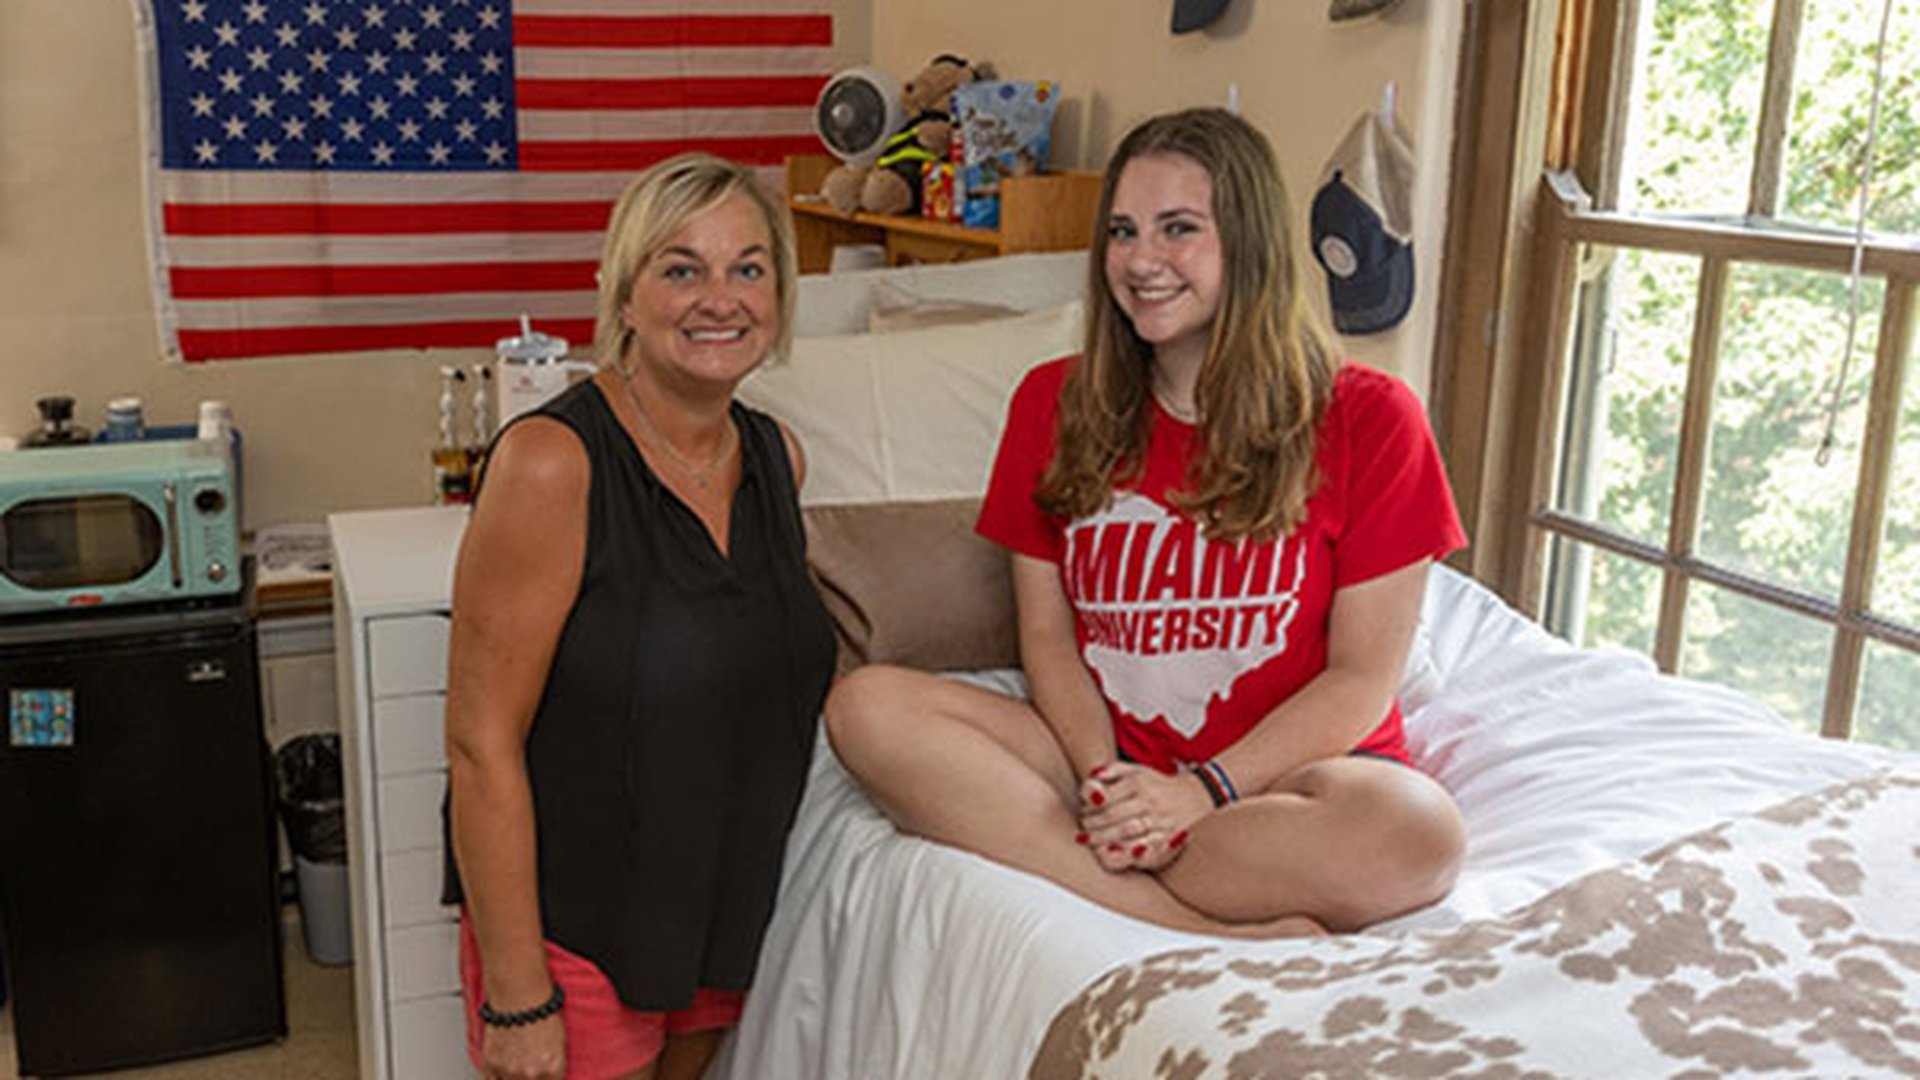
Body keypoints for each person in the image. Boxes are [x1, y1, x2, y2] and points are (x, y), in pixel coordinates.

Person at [825, 108, 1467, 938]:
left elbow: (1360, 681)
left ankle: (1133, 860)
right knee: (866, 709)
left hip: (1295, 780)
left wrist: (1200, 795)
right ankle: (1191, 923)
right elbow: (1048, 641)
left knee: (1421, 835)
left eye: (1179, 230)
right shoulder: (1051, 404)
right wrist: (1107, 783)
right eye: (1123, 232)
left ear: (1250, 244)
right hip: (1111, 762)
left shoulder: (1370, 417)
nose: (1141, 260)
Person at [444, 153, 836, 1080]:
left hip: (718, 912)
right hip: (578, 928)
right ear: (625, 298)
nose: (720, 298)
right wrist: (518, 988)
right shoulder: (553, 463)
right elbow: (478, 741)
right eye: (680, 268)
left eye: (749, 268)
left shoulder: (780, 458)